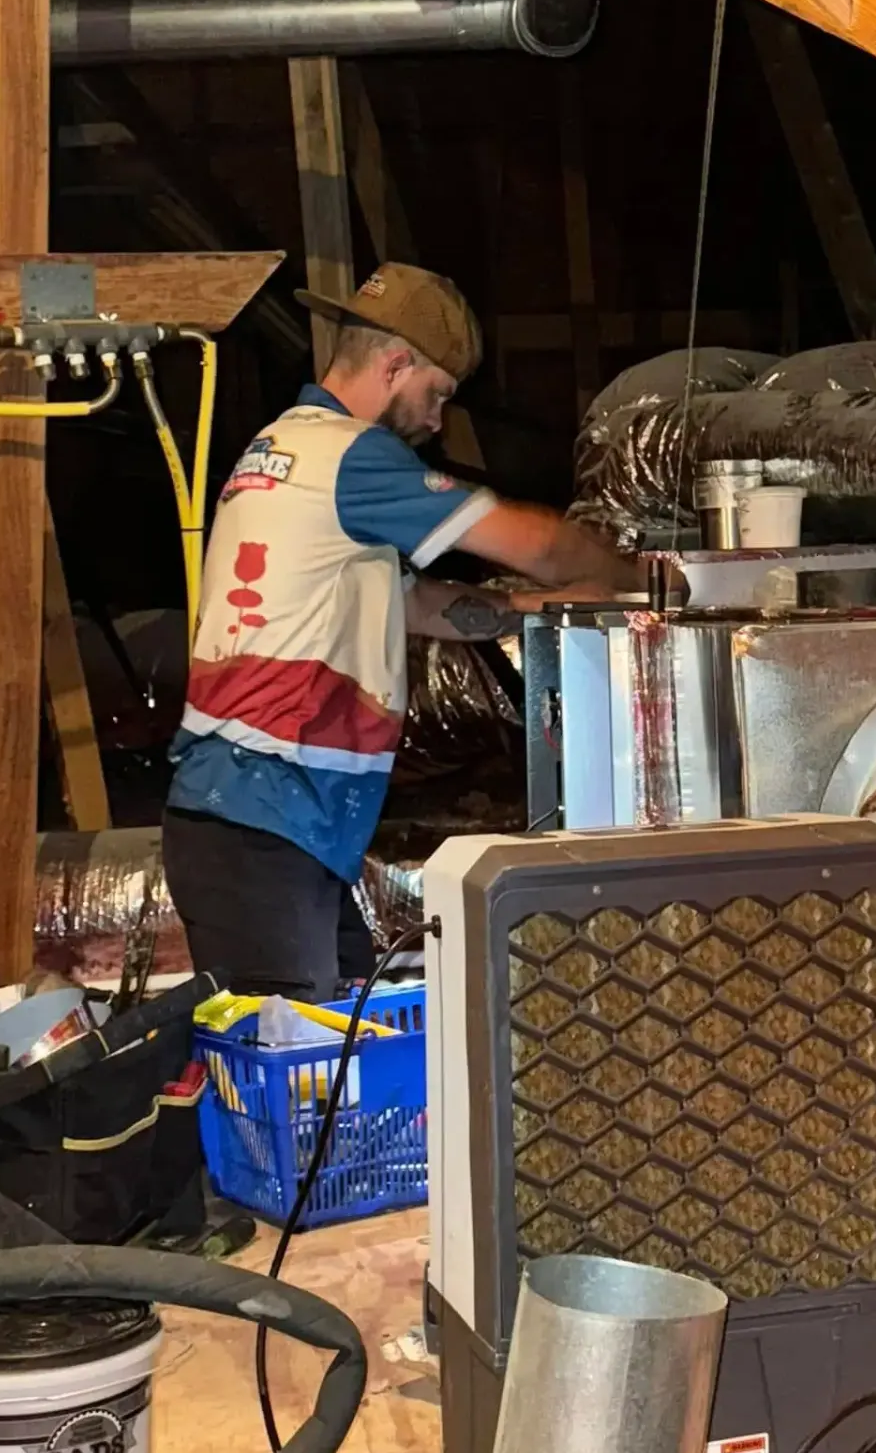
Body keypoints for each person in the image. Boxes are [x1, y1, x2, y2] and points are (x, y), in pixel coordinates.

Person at [161, 263, 640, 999]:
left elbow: (415, 605)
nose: (437, 420)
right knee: (295, 1076)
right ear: (395, 364)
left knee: (341, 1037)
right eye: (438, 394)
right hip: (261, 818)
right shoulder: (350, 457)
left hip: (267, 820)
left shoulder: (288, 450)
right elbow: (536, 544)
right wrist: (639, 578)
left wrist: (546, 609)